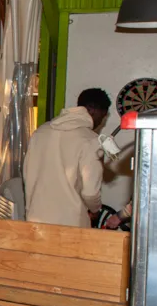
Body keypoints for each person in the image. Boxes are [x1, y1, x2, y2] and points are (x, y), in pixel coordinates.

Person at [23, 88, 110, 228]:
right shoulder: (91, 141)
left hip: (36, 219)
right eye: (103, 116)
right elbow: (90, 193)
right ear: (93, 110)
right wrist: (95, 209)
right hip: (71, 223)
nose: (101, 122)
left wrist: (29, 209)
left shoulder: (40, 132)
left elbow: (28, 176)